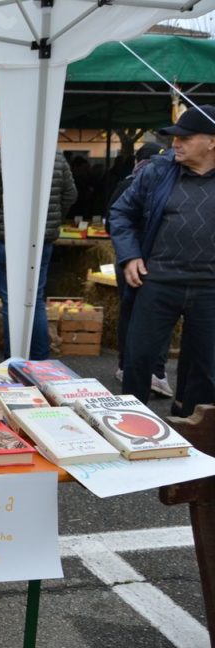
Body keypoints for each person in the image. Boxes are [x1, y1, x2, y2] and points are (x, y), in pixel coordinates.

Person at [109, 105, 215, 416]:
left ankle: (194, 432)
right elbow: (120, 212)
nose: (176, 143)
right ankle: (132, 427)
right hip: (156, 281)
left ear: (211, 142)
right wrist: (129, 256)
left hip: (210, 288)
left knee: (205, 367)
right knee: (138, 360)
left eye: (186, 137)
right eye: (174, 137)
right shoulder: (157, 172)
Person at [0, 113, 77, 359]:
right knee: (35, 299)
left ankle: (16, 363)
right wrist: (50, 222)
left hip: (5, 240)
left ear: (4, 132)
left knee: (12, 302)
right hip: (42, 239)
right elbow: (70, 194)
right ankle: (40, 362)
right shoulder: (55, 156)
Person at [106, 142, 172, 397]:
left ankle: (135, 370)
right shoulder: (140, 183)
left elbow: (112, 219)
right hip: (140, 261)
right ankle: (151, 373)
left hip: (146, 262)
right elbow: (118, 215)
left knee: (135, 316)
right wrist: (131, 253)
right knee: (145, 320)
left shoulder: (137, 180)